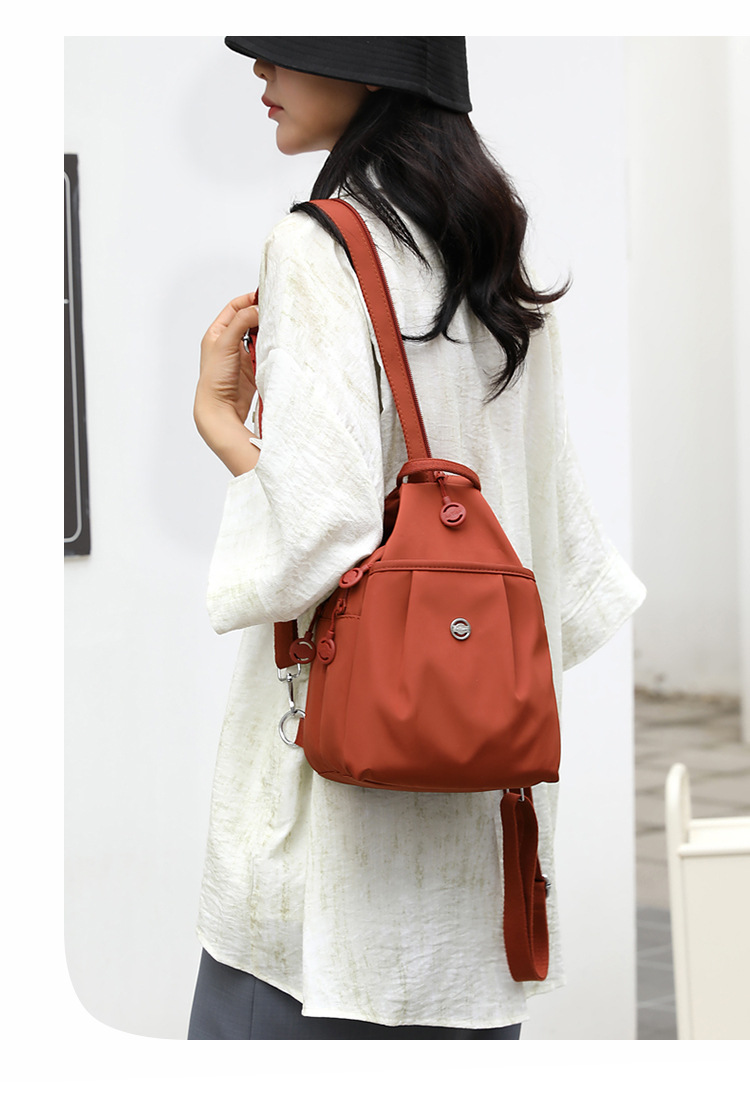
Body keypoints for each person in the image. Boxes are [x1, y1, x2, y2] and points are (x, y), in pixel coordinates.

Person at [188, 36, 646, 1040]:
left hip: (330, 881)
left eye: (282, 50)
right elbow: (559, 558)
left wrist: (223, 425)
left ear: (370, 66)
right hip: (479, 881)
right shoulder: (499, 266)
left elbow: (318, 538)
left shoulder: (318, 247)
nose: (259, 72)